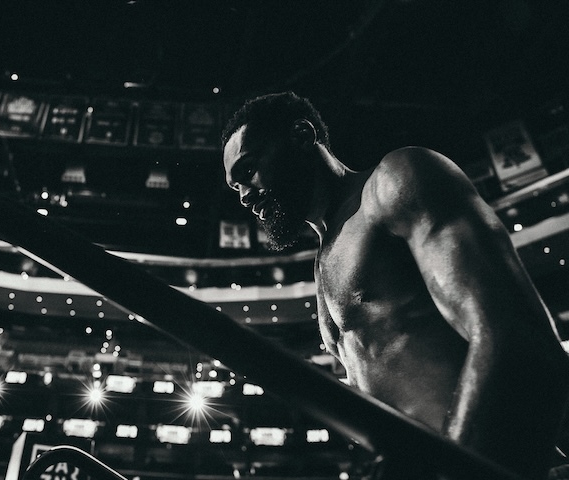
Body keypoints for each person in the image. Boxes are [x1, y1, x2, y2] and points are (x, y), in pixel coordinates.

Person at [221, 91, 569, 480]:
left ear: (302, 136)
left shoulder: (395, 181)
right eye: (235, 188)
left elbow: (517, 337)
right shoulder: (323, 263)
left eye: (248, 170)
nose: (244, 196)